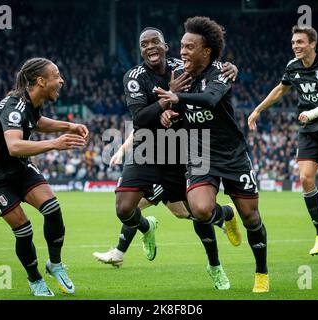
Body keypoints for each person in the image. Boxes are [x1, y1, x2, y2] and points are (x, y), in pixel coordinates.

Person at [112, 27, 241, 289]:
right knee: (124, 209)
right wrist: (163, 103)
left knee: (196, 213)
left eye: (155, 42)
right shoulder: (134, 77)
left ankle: (215, 265)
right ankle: (147, 228)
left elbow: (209, 78)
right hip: (148, 150)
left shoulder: (183, 66)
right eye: (144, 44)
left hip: (183, 149)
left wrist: (231, 69)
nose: (150, 47)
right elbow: (139, 119)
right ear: (140, 50)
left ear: (165, 45)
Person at [156, 16, 269, 293]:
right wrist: (170, 114)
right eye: (181, 46)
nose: (182, 52)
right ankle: (220, 231)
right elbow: (183, 111)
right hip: (200, 153)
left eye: (189, 47)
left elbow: (208, 100)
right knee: (201, 210)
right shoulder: (178, 75)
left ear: (206, 51)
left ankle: (262, 272)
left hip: (232, 154)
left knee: (252, 217)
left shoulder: (221, 72)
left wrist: (176, 99)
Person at [0, 58, 89, 297]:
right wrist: (55, 144)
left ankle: (55, 264)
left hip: (18, 168)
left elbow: (37, 123)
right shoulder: (14, 106)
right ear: (41, 81)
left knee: (52, 208)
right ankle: (35, 279)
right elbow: (14, 145)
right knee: (24, 229)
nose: (62, 81)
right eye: (57, 76)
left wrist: (68, 126)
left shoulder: (31, 102)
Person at [248, 25, 318, 257]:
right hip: (308, 128)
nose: (296, 46)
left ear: (312, 43)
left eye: (300, 42)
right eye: (293, 43)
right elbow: (280, 90)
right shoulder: (292, 66)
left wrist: (315, 112)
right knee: (304, 178)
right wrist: (258, 109)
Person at [93, 130, 241, 267]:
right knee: (180, 213)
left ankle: (122, 250)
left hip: (172, 168)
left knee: (136, 206)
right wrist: (122, 149)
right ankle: (225, 214)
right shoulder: (153, 108)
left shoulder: (177, 106)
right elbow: (138, 126)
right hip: (153, 165)